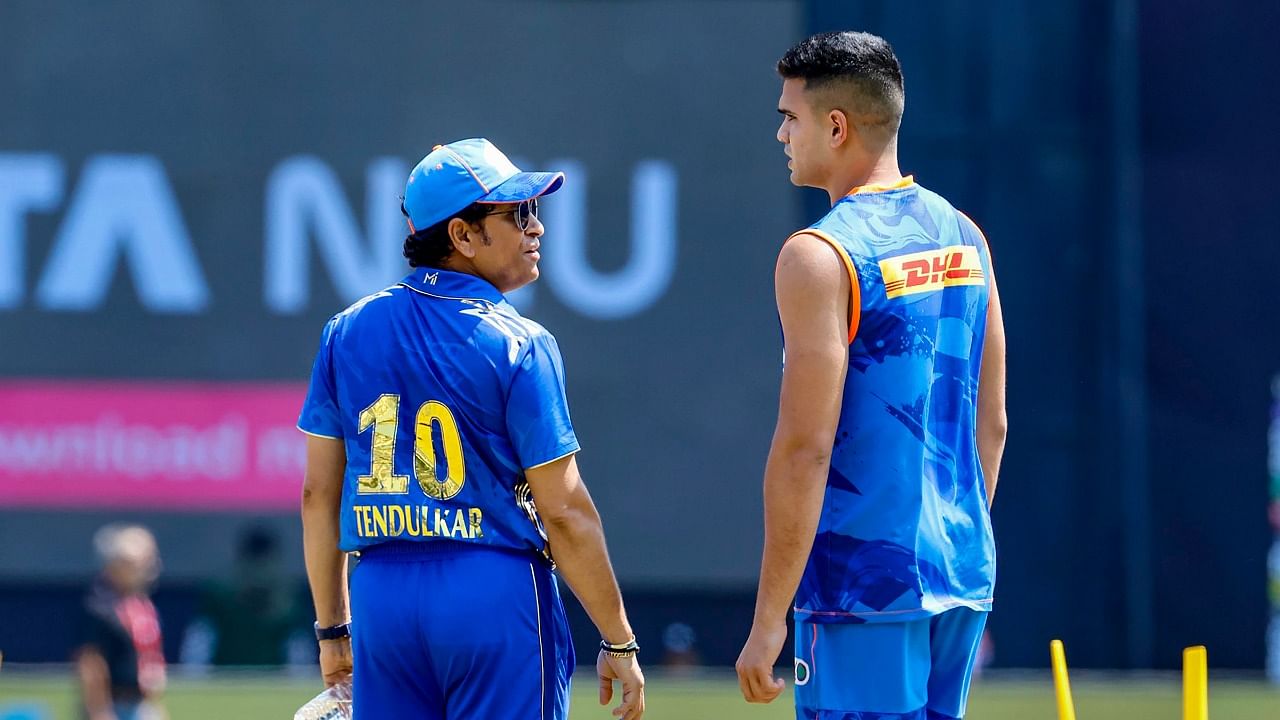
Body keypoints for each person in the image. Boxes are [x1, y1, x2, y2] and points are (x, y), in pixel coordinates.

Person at [298, 138, 646, 720]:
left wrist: (334, 630)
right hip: (491, 589)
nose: (535, 228)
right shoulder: (520, 342)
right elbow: (564, 510)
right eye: (516, 214)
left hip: (382, 594)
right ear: (462, 236)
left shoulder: (345, 330)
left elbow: (318, 496)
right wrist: (617, 639)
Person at [735, 31, 1008, 720]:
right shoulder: (966, 234)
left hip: (862, 590)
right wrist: (954, 541)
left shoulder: (819, 254)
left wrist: (771, 621)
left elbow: (806, 450)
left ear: (836, 126)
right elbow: (993, 423)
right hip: (961, 574)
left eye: (788, 117)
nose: (781, 134)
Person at [74, 524, 168, 720]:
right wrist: (99, 711)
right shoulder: (99, 607)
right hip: (113, 707)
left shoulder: (141, 605)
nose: (150, 569)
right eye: (141, 563)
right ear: (117, 566)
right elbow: (91, 663)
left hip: (139, 705)